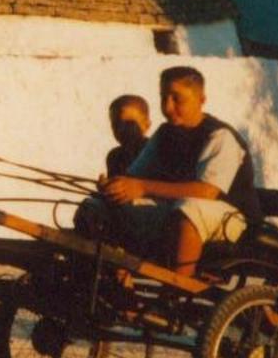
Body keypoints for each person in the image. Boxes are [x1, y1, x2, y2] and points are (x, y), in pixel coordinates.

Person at [100, 66, 261, 279]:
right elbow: (135, 178)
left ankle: (177, 289)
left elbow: (207, 192)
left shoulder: (220, 136)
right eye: (163, 98)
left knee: (189, 210)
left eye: (177, 99)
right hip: (181, 209)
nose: (168, 107)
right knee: (107, 206)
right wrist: (116, 187)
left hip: (234, 219)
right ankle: (117, 279)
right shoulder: (165, 134)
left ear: (201, 99)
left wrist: (142, 188)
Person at [104, 94, 150, 178]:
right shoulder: (114, 156)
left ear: (146, 124)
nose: (121, 129)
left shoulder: (155, 151)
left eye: (129, 123)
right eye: (116, 125)